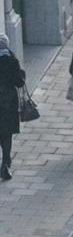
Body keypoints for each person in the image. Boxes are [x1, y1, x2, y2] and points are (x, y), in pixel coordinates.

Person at [0, 35, 24, 181]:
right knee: (7, 133)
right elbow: (19, 82)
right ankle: (6, 163)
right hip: (8, 101)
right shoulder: (12, 60)